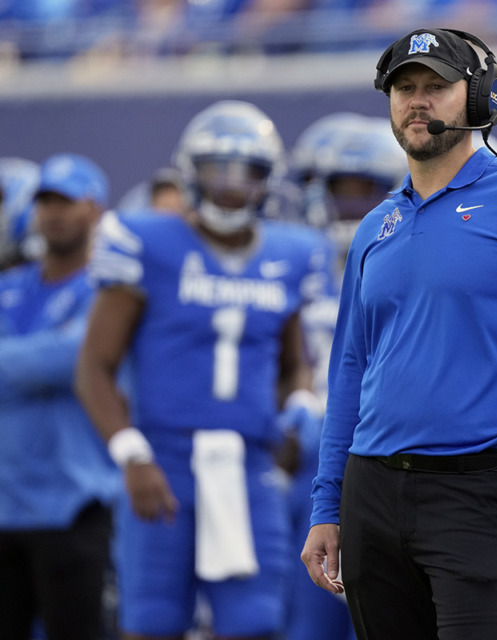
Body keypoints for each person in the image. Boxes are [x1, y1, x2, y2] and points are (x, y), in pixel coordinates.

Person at [300, 27, 497, 640]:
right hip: (373, 488)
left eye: (436, 87)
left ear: (479, 98)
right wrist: (327, 504)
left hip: (479, 490)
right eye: (404, 89)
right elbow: (349, 371)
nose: (417, 101)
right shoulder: (375, 226)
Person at [74, 100, 329, 639]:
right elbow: (94, 366)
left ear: (269, 180)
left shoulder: (291, 253)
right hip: (164, 457)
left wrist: (299, 405)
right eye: (218, 169)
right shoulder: (147, 241)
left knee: (256, 621)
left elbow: (294, 362)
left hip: (249, 461)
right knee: (153, 618)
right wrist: (130, 453)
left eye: (248, 172)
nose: (233, 186)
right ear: (191, 172)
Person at [285, 112, 406, 640]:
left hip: (383, 459)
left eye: (366, 190)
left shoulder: (405, 258)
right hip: (306, 461)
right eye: (340, 189)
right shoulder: (294, 258)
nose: (350, 204)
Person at [0, 153, 121, 640]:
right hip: (5, 508)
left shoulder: (106, 288)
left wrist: (29, 361)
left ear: (94, 210)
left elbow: (74, 357)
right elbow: (48, 358)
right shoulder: (10, 285)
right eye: (44, 201)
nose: (52, 212)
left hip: (73, 504)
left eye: (66, 202)